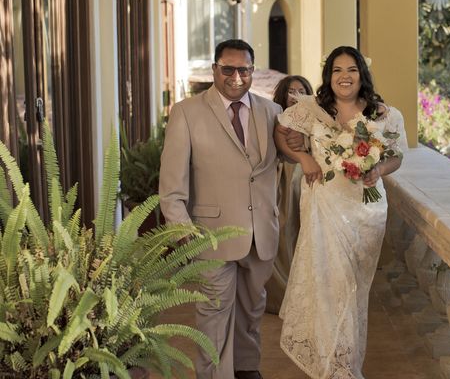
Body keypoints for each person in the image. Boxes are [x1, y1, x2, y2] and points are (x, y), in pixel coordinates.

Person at [274, 46, 408, 378]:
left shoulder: (383, 115)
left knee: (353, 290)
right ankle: (335, 368)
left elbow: (397, 156)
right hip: (324, 206)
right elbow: (280, 130)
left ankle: (346, 362)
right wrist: (304, 158)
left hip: (365, 211)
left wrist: (378, 171)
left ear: (362, 74)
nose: (344, 76)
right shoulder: (314, 110)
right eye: (337, 70)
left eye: (351, 69)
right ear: (328, 76)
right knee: (327, 285)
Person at [159, 39, 281, 379]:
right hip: (210, 236)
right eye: (228, 69)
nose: (236, 77)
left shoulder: (272, 113)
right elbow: (171, 188)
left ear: (252, 71)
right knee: (213, 315)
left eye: (244, 69)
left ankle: (246, 369)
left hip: (260, 235)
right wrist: (187, 237)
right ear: (215, 69)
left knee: (251, 311)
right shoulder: (186, 113)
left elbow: (292, 160)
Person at [265, 75, 314, 314]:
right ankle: (282, 295)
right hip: (283, 180)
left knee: (305, 233)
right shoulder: (275, 118)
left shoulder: (317, 119)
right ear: (283, 95)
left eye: (301, 90)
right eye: (291, 91)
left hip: (308, 180)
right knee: (284, 230)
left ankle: (306, 294)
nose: (295, 95)